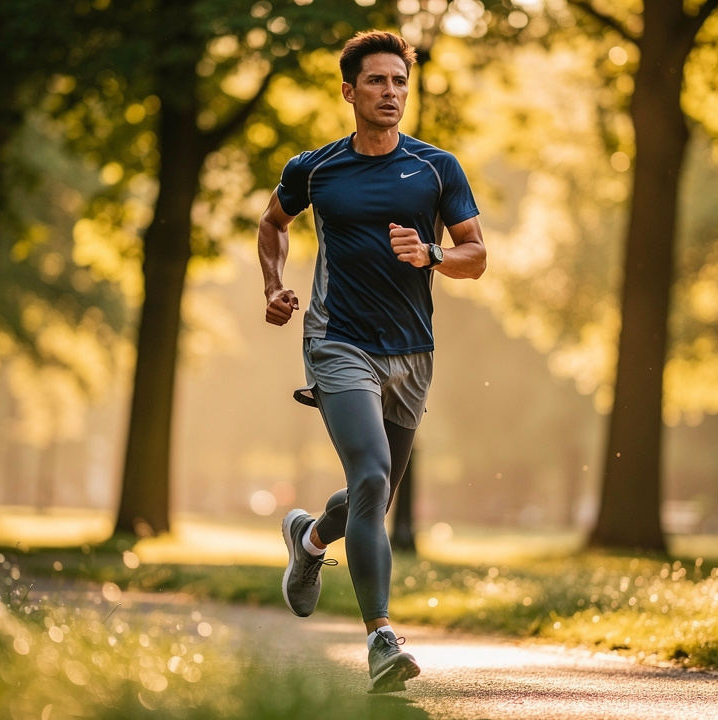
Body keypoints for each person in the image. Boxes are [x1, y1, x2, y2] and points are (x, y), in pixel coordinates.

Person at [256, 30, 486, 694]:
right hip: (337, 342)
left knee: (370, 497)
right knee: (373, 474)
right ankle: (381, 638)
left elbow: (477, 254)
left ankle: (308, 540)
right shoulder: (316, 169)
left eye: (400, 83)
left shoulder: (437, 168)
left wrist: (433, 254)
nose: (390, 93)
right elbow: (273, 223)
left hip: (412, 352)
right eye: (378, 82)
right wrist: (273, 287)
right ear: (349, 91)